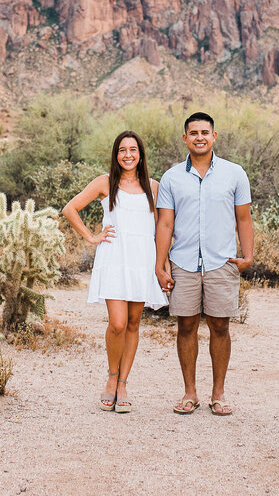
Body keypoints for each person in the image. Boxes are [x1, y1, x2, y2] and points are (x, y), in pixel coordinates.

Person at [155, 111, 254, 416]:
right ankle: (189, 393)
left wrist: (247, 256)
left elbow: (243, 217)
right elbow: (165, 225)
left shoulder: (234, 173)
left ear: (214, 136)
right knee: (185, 326)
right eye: (193, 132)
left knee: (220, 326)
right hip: (183, 262)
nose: (199, 137)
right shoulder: (172, 177)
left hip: (221, 262)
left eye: (204, 132)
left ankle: (219, 393)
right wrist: (161, 265)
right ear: (185, 138)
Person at [62, 130, 168, 414]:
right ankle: (111, 376)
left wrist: (163, 265)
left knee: (134, 323)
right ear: (115, 154)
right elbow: (70, 209)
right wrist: (91, 236)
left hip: (142, 260)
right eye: (122, 150)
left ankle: (123, 384)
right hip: (114, 258)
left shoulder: (154, 187)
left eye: (133, 150)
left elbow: (162, 229)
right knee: (118, 323)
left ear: (141, 154)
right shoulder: (104, 183)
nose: (128, 155)